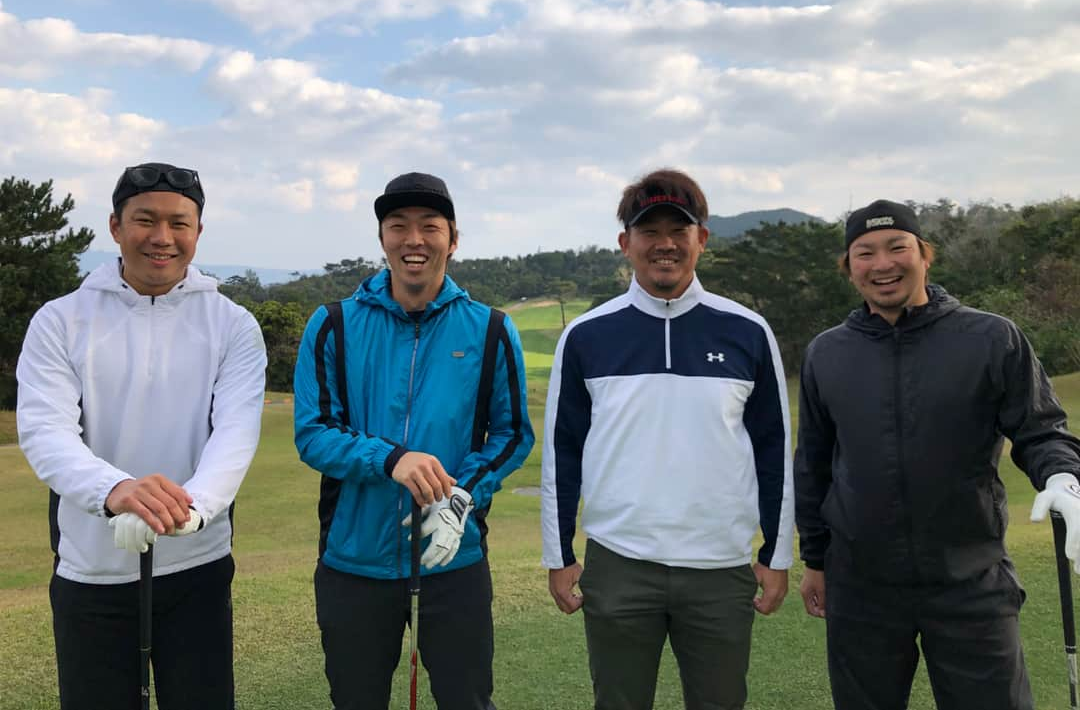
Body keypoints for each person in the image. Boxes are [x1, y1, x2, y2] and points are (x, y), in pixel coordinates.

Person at [794, 199, 1080, 710]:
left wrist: (1063, 477)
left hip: (971, 581)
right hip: (862, 588)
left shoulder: (991, 338)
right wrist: (815, 559)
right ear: (849, 267)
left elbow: (1040, 431)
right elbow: (814, 464)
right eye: (865, 253)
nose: (882, 264)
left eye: (897, 247)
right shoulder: (827, 352)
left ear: (925, 254)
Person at [16, 162, 268, 710]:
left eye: (179, 223)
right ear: (114, 226)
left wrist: (192, 510)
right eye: (145, 220)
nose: (162, 238)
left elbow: (235, 432)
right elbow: (45, 430)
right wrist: (115, 491)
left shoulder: (232, 325)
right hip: (92, 570)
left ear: (198, 232)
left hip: (197, 564)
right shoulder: (60, 321)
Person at [541, 168, 794, 710]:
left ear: (701, 239)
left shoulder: (748, 331)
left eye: (678, 231)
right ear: (624, 243)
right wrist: (558, 553)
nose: (664, 245)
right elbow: (563, 454)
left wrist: (777, 553)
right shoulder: (586, 335)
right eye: (648, 230)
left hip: (720, 567)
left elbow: (774, 452)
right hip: (618, 563)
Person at [293, 171, 535, 710]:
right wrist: (392, 459)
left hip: (453, 558)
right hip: (354, 561)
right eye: (398, 226)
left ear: (453, 238)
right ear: (383, 239)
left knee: (466, 700)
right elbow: (313, 434)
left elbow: (512, 432)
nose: (414, 239)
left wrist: (459, 493)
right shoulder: (332, 323)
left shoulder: (491, 328)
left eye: (430, 226)